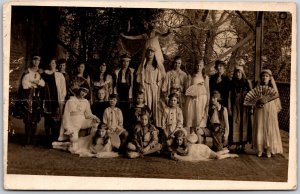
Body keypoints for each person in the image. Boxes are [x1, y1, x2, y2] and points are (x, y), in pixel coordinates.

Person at [57, 86, 100, 153]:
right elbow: (66, 115)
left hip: (82, 121)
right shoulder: (70, 101)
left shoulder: (86, 102)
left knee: (95, 123)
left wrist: (95, 117)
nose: (84, 93)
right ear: (79, 90)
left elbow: (88, 114)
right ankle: (60, 145)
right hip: (73, 123)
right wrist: (68, 127)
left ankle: (92, 143)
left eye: (85, 92)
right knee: (74, 150)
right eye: (82, 91)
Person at [252, 69, 283, 158]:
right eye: (263, 76)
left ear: (270, 78)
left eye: (266, 76)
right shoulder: (258, 87)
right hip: (260, 110)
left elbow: (276, 100)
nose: (264, 78)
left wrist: (273, 108)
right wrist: (257, 103)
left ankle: (269, 149)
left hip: (270, 109)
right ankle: (260, 149)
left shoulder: (272, 88)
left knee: (269, 128)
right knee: (260, 127)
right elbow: (254, 99)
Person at [136, 46, 166, 127]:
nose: (150, 53)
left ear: (154, 53)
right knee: (147, 105)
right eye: (148, 51)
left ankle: (155, 125)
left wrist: (160, 87)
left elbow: (162, 77)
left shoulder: (157, 65)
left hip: (155, 88)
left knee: (155, 106)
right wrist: (142, 87)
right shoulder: (143, 65)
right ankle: (146, 124)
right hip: (146, 87)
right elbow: (139, 78)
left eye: (152, 52)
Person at [53, 123, 118, 158]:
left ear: (106, 132)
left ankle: (58, 147)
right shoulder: (95, 135)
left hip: (90, 150)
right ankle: (59, 144)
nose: (101, 133)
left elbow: (107, 152)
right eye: (99, 131)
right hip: (85, 144)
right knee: (75, 144)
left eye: (103, 131)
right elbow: (90, 145)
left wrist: (95, 154)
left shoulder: (107, 140)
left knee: (73, 149)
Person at [20, 55, 45, 145]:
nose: (36, 62)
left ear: (39, 62)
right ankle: (27, 139)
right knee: (28, 118)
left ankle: (33, 139)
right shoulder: (27, 71)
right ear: (32, 61)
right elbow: (24, 84)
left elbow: (43, 84)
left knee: (35, 117)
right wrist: (31, 84)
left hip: (37, 97)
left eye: (38, 60)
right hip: (28, 96)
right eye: (34, 60)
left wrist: (37, 82)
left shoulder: (41, 73)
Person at [170, 130, 238, 162]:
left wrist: (177, 156)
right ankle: (224, 151)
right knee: (215, 155)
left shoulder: (187, 144)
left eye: (180, 140)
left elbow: (189, 157)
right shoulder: (175, 147)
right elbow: (173, 153)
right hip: (199, 153)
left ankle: (228, 155)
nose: (179, 142)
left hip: (202, 149)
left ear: (183, 139)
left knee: (218, 157)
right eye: (177, 140)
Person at [42, 58, 66, 145]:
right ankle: (47, 139)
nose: (53, 64)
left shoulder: (59, 75)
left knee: (55, 119)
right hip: (47, 99)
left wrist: (62, 99)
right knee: (47, 119)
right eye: (51, 62)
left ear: (56, 65)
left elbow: (63, 89)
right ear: (49, 64)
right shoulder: (44, 74)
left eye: (54, 63)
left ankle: (54, 138)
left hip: (56, 99)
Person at [228, 65, 252, 153]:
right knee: (236, 123)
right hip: (235, 107)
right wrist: (229, 108)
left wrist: (251, 107)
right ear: (234, 73)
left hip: (245, 107)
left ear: (242, 73)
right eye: (236, 72)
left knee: (244, 124)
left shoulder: (247, 82)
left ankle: (243, 145)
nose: (238, 74)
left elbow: (252, 95)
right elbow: (229, 96)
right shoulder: (232, 83)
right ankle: (237, 145)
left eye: (239, 72)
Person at [184, 60, 210, 140]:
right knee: (192, 120)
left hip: (202, 101)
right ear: (195, 66)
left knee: (200, 121)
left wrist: (207, 102)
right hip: (193, 100)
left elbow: (207, 90)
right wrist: (192, 93)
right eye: (197, 65)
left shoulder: (205, 77)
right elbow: (187, 90)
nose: (199, 67)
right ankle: (192, 140)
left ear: (203, 66)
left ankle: (200, 141)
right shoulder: (191, 76)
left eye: (200, 65)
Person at [113, 54, 135, 127]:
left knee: (128, 111)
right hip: (120, 92)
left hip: (128, 92)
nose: (126, 64)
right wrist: (115, 95)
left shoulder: (132, 71)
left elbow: (132, 85)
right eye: (124, 61)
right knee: (119, 110)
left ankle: (127, 127)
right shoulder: (117, 71)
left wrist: (131, 95)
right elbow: (115, 85)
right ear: (121, 62)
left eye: (127, 62)